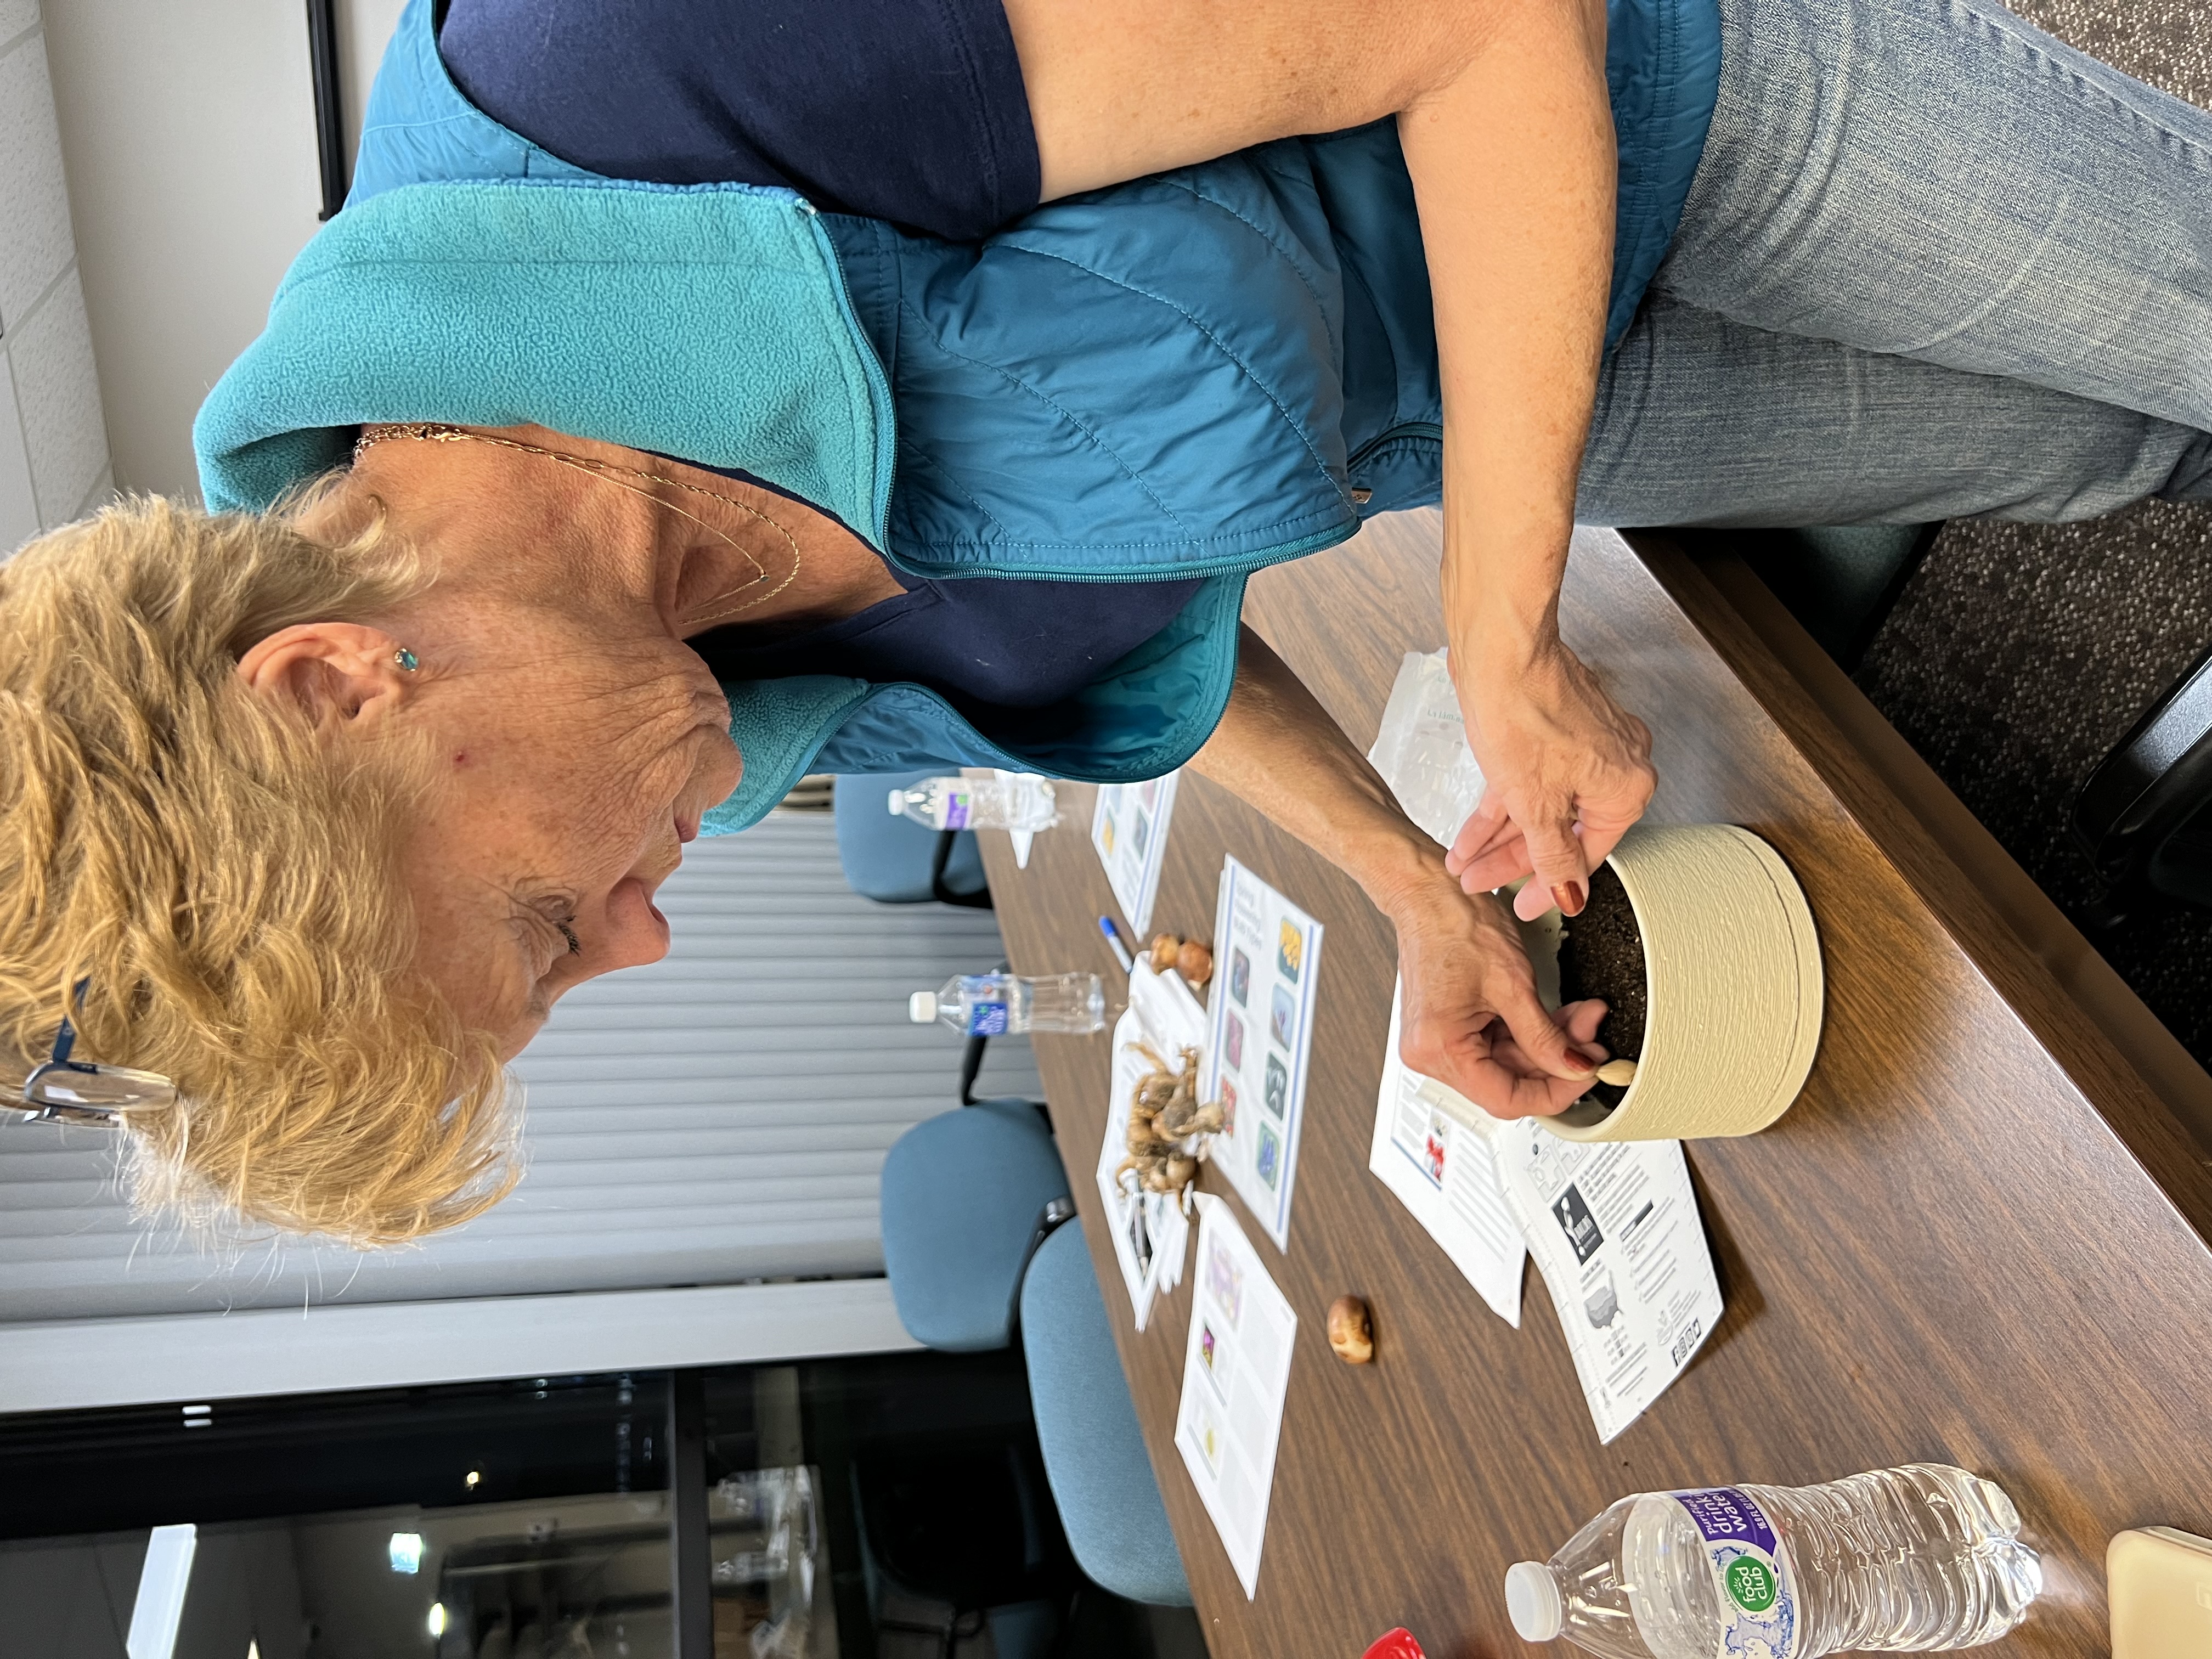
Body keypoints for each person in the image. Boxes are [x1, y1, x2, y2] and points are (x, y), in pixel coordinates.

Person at [3, 0, 2207, 1240]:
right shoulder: (651, 709)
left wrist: (1504, 624)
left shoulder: (608, 84)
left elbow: (1471, 31)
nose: (641, 939)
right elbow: (1064, 649)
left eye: (546, 931)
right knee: (2117, 463)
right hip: (1512, 395)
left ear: (334, 683)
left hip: (1639, 103)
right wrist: (1404, 891)